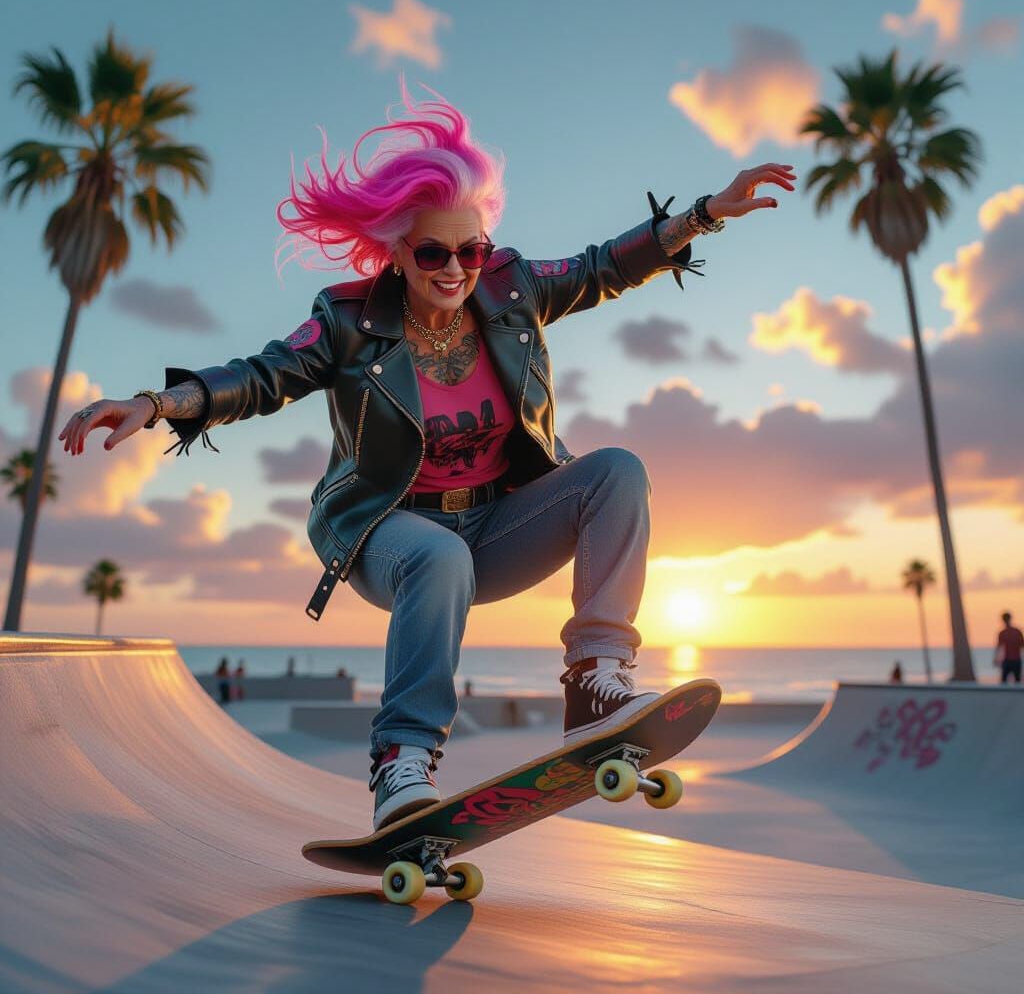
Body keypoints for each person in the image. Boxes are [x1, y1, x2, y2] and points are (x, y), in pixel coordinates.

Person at [57, 80, 795, 831]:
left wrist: (706, 213)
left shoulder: (511, 289)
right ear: (397, 253)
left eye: (469, 249)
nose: (455, 267)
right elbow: (261, 377)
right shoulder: (346, 323)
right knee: (439, 556)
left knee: (617, 474)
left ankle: (595, 683)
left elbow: (602, 266)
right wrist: (158, 403)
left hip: (497, 527)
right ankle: (402, 761)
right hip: (391, 535)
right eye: (434, 252)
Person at [994, 611, 1023, 684]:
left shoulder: (1013, 632)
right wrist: (996, 658)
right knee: (1008, 682)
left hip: (1013, 660)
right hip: (1010, 660)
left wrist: (995, 659)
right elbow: (999, 647)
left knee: (1011, 682)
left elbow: (998, 647)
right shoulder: (1015, 632)